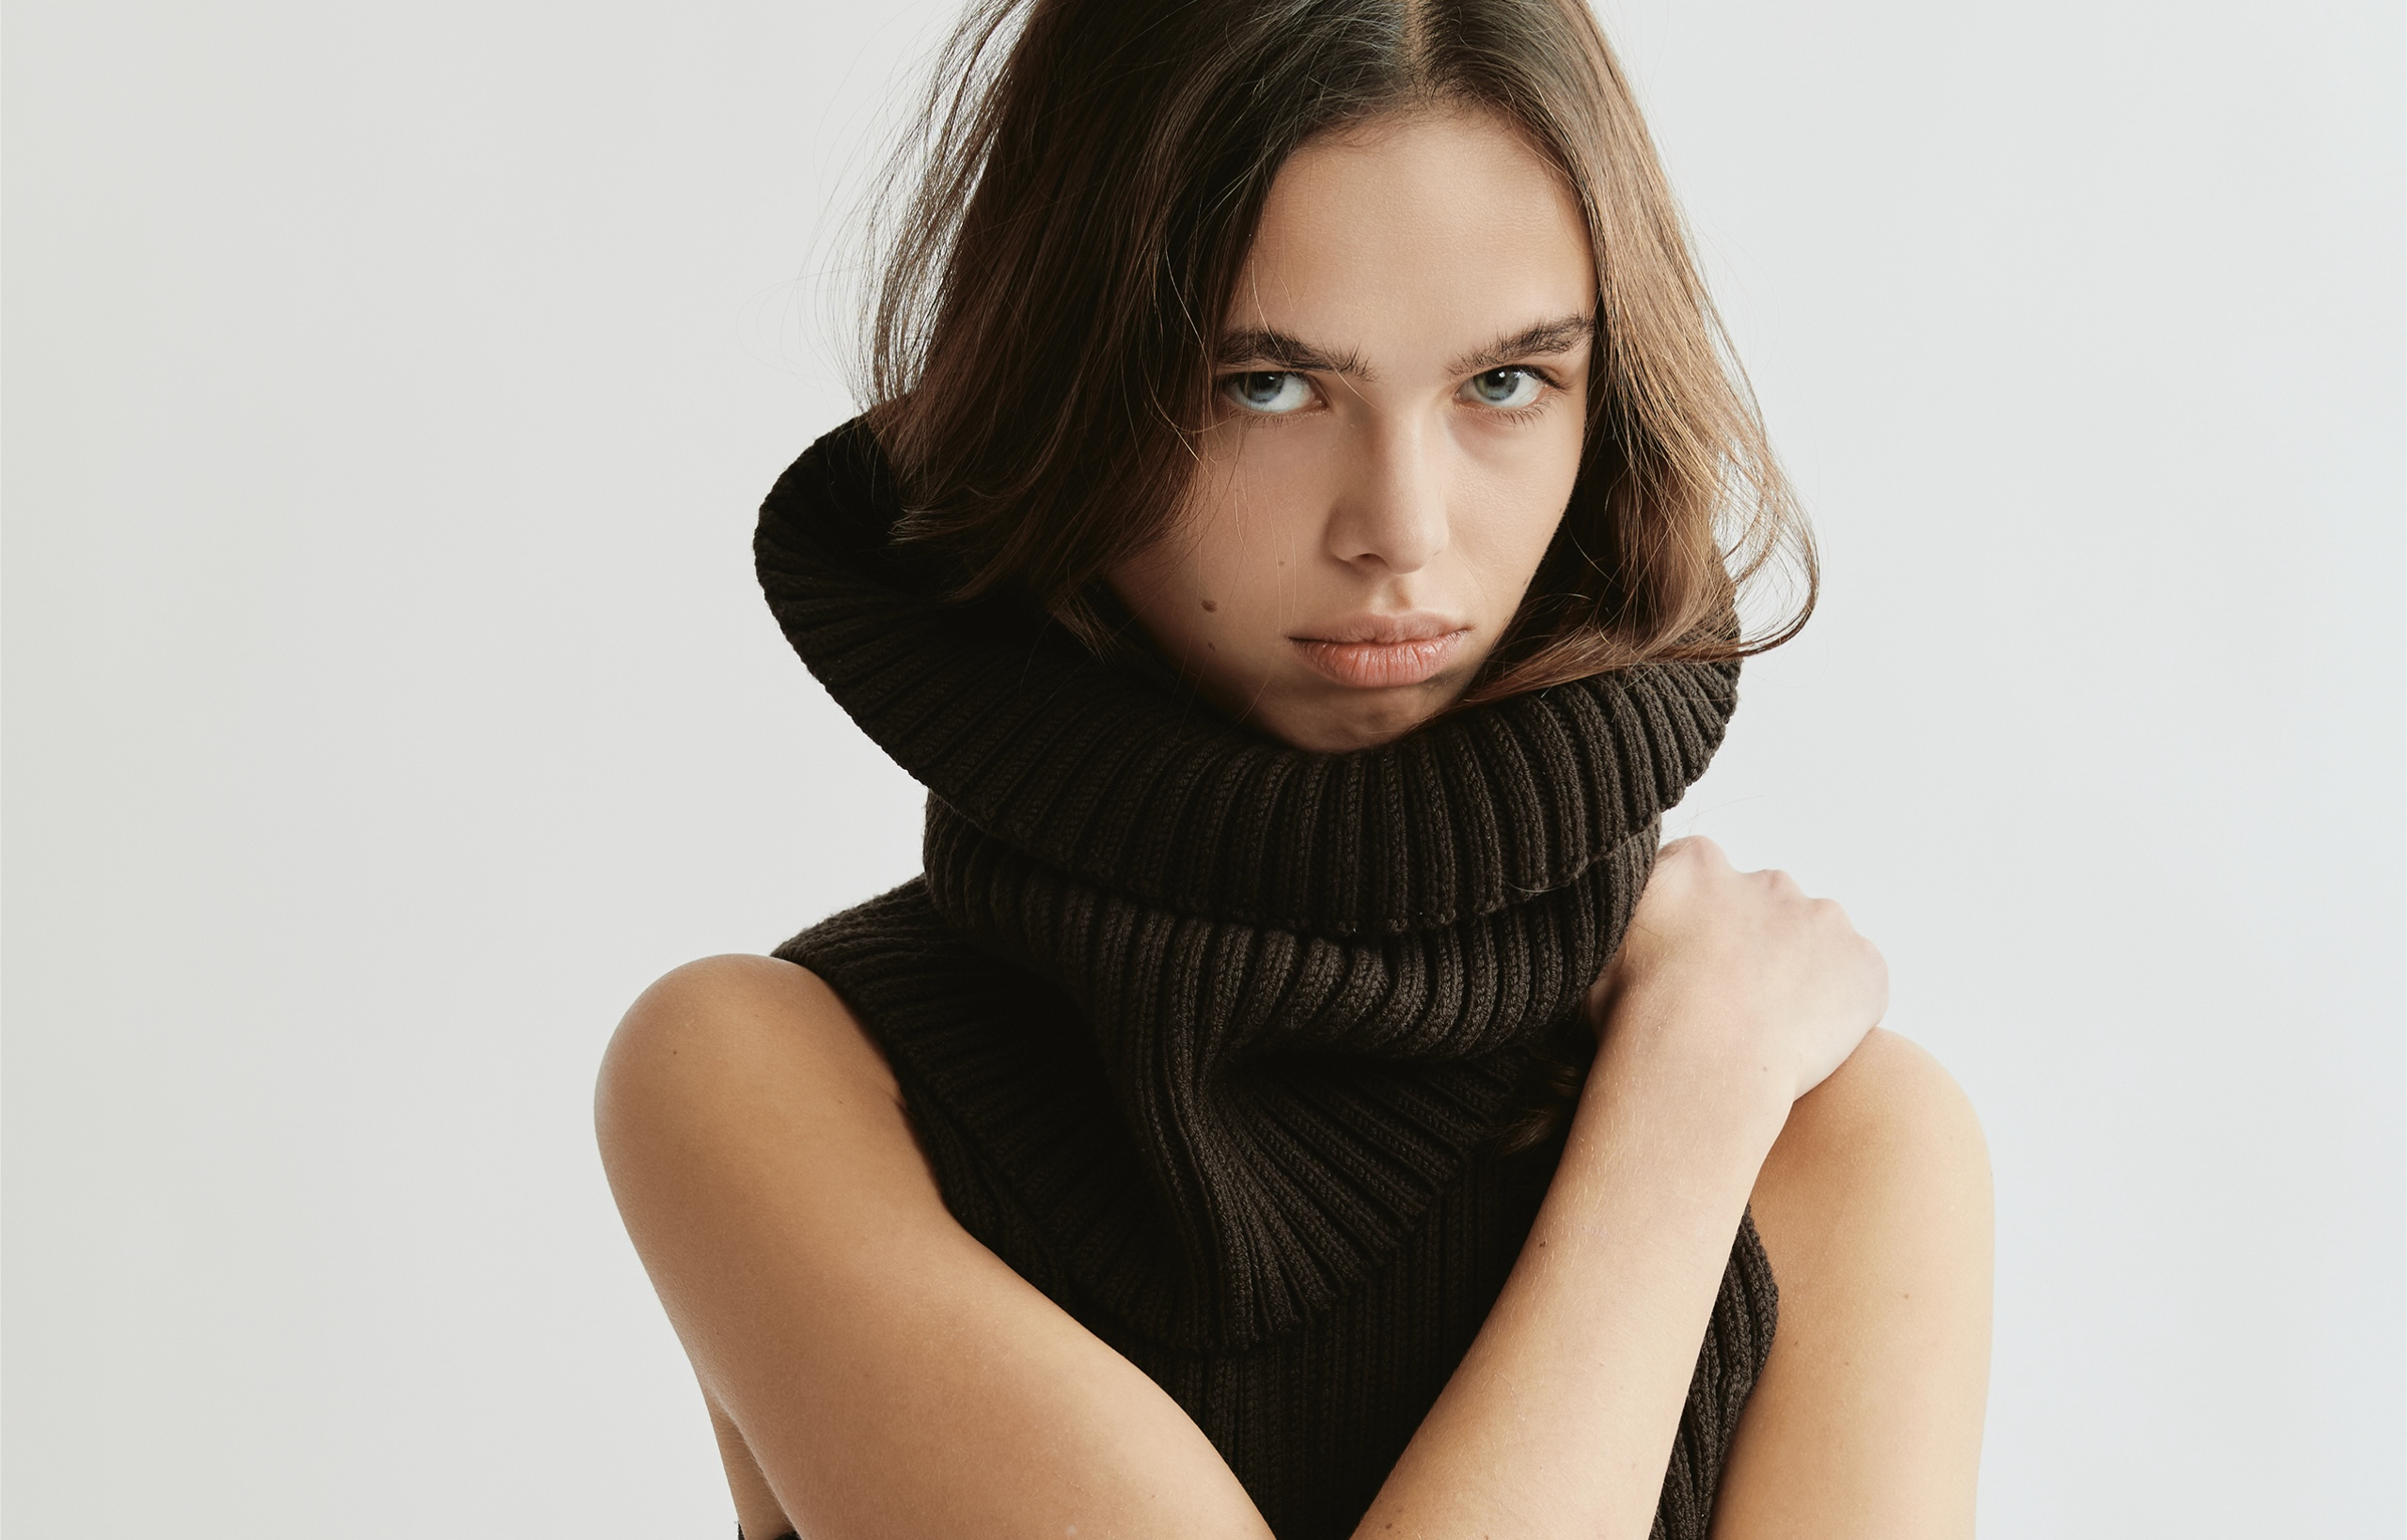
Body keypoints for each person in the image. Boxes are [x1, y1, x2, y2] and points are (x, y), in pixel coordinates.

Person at [595, 1, 1993, 1535]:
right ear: (1066, 388)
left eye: (1507, 382)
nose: (1401, 526)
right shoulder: (764, 1081)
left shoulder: (1845, 1147)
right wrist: (1672, 1121)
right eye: (1264, 385)